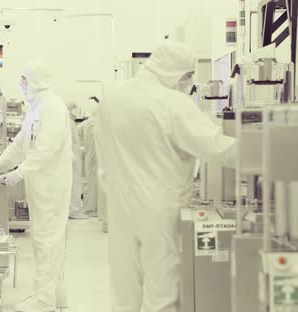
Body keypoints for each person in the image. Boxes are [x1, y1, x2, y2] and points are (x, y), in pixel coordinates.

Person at [96, 40, 236, 312]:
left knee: (125, 287)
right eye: (187, 76)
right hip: (160, 208)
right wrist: (266, 147)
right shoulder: (172, 103)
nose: (189, 82)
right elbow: (215, 147)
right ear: (175, 73)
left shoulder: (112, 96)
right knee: (162, 290)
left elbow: (102, 150)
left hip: (119, 203)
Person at [0, 62, 72, 312]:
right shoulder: (36, 107)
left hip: (50, 186)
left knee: (46, 240)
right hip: (41, 185)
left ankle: (45, 300)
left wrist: (19, 173)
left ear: (37, 80)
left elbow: (46, 150)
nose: (22, 84)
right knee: (48, 239)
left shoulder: (52, 106)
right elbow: (20, 145)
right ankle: (55, 295)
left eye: (24, 80)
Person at [78, 98, 108, 232]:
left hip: (90, 157)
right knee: (98, 183)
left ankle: (92, 208)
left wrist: (80, 146)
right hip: (99, 157)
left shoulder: (86, 123)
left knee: (91, 182)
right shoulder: (100, 123)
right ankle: (96, 209)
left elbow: (77, 134)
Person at [67, 102, 88, 220]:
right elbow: (70, 142)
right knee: (74, 184)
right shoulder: (69, 123)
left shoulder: (70, 123)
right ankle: (74, 210)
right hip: (73, 157)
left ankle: (74, 209)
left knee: (75, 183)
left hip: (74, 156)